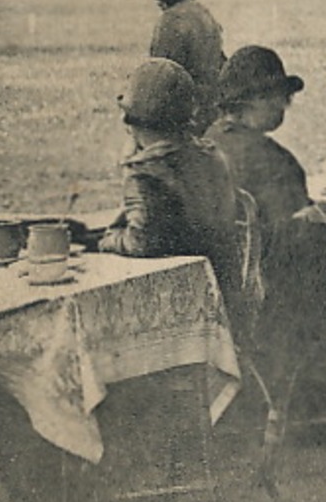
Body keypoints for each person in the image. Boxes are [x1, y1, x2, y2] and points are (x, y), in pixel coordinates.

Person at [206, 46, 326, 397]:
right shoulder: (274, 161)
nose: (284, 108)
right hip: (268, 298)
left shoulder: (206, 145)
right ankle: (318, 375)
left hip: (216, 286)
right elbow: (303, 237)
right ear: (253, 99)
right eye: (279, 98)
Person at [97, 59, 242, 315]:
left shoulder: (146, 172)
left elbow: (141, 241)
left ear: (130, 122)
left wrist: (107, 240)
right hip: (226, 293)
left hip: (178, 306)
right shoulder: (212, 156)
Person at [138, 0, 226, 131]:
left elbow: (160, 84)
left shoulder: (172, 20)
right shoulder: (201, 12)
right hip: (209, 122)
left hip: (183, 127)